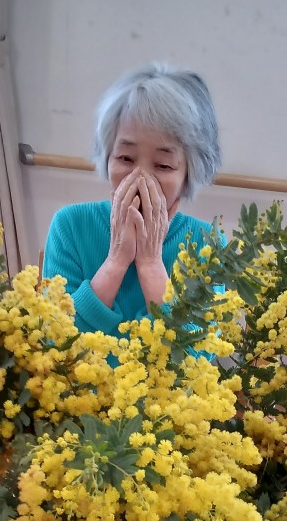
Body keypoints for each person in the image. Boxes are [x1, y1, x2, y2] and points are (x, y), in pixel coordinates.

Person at [42, 63, 222, 337]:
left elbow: (197, 354)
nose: (140, 178)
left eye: (163, 165)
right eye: (125, 158)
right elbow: (54, 340)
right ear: (107, 157)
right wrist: (116, 260)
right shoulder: (70, 226)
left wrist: (150, 263)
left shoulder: (207, 242)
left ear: (189, 174)